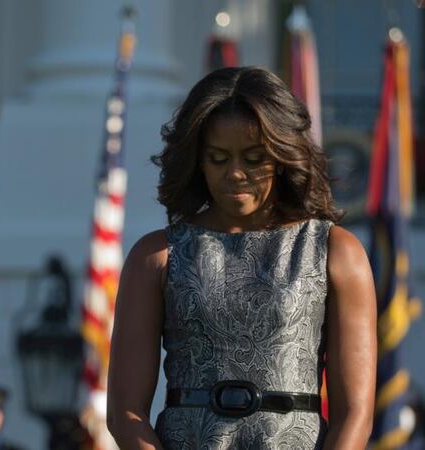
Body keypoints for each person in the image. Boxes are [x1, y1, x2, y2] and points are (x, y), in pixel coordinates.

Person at [106, 66, 376, 449]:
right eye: (218, 158)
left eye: (253, 159)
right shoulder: (155, 256)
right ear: (197, 159)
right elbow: (124, 414)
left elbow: (356, 416)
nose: (235, 174)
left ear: (283, 156)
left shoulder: (337, 251)